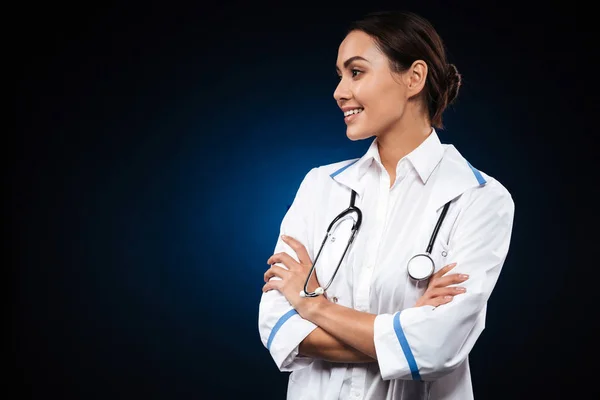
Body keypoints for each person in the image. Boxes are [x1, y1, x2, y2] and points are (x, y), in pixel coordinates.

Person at [258, 10, 514, 400]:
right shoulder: (320, 186)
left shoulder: (479, 198)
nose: (339, 91)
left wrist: (314, 306)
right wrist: (403, 330)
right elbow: (276, 323)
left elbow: (439, 348)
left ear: (414, 77)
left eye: (356, 72)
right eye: (340, 75)